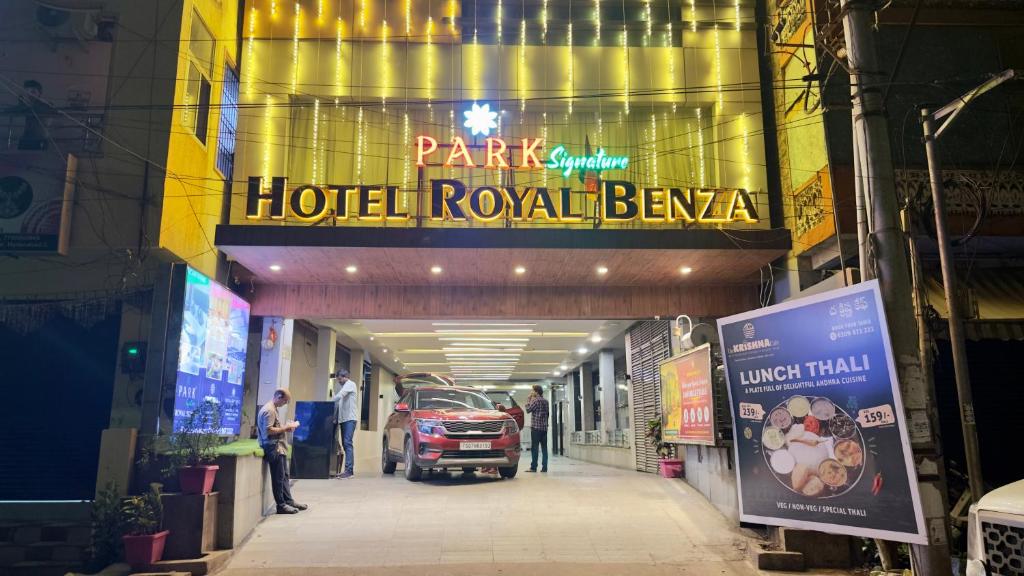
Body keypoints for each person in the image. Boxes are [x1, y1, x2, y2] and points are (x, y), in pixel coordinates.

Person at [257, 388, 307, 514]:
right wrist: (286, 427)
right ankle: (281, 505)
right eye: (285, 401)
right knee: (278, 477)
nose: (285, 404)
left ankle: (288, 501)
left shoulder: (273, 409)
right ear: (278, 396)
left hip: (279, 446)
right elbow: (268, 430)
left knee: (284, 476)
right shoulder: (269, 410)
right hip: (273, 447)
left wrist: (286, 428)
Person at [332, 369, 358, 479]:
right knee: (345, 444)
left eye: (339, 379)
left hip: (349, 420)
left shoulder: (350, 384)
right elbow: (339, 404)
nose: (339, 381)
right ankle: (347, 470)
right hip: (343, 420)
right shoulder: (345, 386)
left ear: (345, 377)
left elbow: (339, 396)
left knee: (347, 443)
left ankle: (349, 471)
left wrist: (328, 402)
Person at [525, 385, 550, 473]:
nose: (531, 392)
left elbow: (528, 410)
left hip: (536, 428)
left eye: (532, 390)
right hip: (544, 429)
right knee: (544, 448)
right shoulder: (546, 401)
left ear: (536, 392)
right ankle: (545, 468)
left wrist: (528, 399)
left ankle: (533, 467)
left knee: (535, 448)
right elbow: (547, 414)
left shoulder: (535, 400)